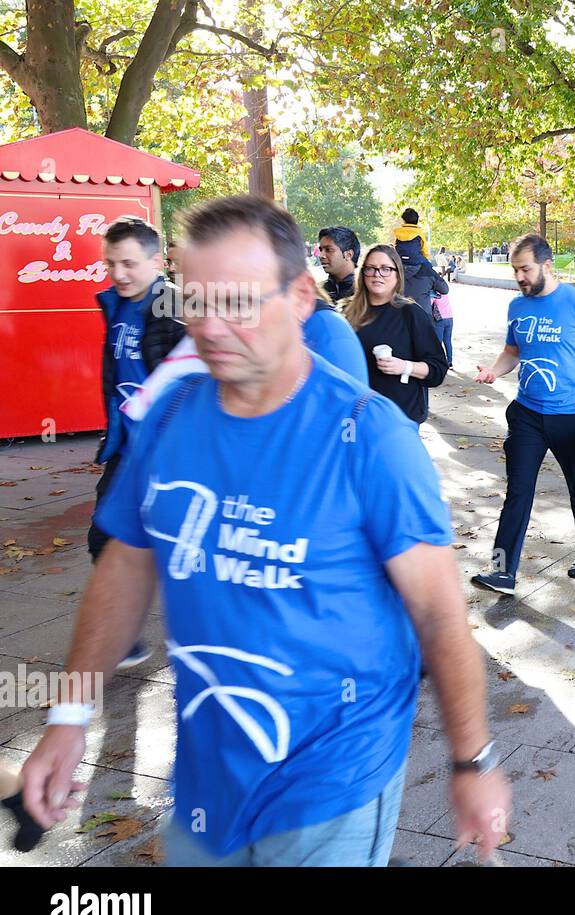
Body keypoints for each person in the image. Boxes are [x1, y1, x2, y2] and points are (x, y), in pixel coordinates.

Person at [21, 194, 509, 866]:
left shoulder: (370, 439)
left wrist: (471, 761)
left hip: (332, 785)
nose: (213, 328)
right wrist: (70, 717)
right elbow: (128, 565)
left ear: (302, 296)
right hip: (205, 784)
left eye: (240, 302)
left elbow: (439, 613)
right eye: (195, 301)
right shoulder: (168, 419)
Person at [471, 234, 575, 594]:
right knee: (518, 492)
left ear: (546, 266)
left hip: (572, 415)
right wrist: (494, 370)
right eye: (515, 270)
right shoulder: (517, 307)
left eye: (525, 269)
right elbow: (511, 351)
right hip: (527, 414)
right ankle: (503, 571)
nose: (519, 277)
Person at [89, 216, 186, 670]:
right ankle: (124, 637)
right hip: (126, 450)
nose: (118, 274)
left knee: (178, 552)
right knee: (104, 538)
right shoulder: (114, 304)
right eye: (110, 264)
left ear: (155, 260)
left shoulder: (174, 308)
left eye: (128, 263)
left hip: (170, 454)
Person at [343, 245, 449, 426]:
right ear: (362, 273)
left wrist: (405, 367)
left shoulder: (411, 314)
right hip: (355, 417)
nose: (377, 274)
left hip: (398, 419)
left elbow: (437, 369)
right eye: (371, 268)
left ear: (397, 274)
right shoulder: (346, 311)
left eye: (386, 269)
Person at [317, 226, 360, 303]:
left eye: (328, 250)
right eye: (321, 250)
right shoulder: (318, 292)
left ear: (348, 255)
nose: (321, 256)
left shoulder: (364, 292)